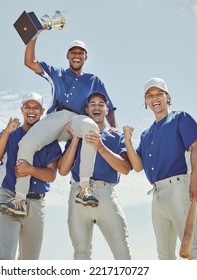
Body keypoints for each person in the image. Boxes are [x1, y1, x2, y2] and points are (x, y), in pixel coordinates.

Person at [0, 37, 117, 216]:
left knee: (91, 127)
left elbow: (109, 106)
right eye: (73, 52)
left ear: (86, 57)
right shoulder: (57, 73)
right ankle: (20, 199)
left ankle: (84, 188)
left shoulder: (94, 80)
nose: (77, 55)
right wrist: (34, 36)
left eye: (80, 53)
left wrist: (112, 127)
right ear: (68, 55)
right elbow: (29, 62)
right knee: (26, 143)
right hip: (55, 119)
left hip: (76, 120)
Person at [123, 77, 197, 260]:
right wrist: (128, 142)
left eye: (159, 94)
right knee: (164, 256)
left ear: (167, 97)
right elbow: (137, 166)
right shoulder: (147, 134)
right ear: (145, 102)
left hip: (179, 189)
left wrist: (195, 182)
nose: (154, 98)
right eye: (149, 95)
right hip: (157, 196)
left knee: (194, 251)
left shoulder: (180, 118)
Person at [58, 92, 132, 260]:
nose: (96, 107)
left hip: (105, 193)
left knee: (121, 248)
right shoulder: (75, 136)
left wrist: (100, 147)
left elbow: (125, 168)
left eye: (101, 104)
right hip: (77, 193)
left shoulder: (116, 136)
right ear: (87, 110)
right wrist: (76, 138)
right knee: (81, 251)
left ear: (107, 110)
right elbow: (62, 170)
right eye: (92, 104)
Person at [0, 92, 62, 259]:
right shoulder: (10, 133)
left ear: (42, 111)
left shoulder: (50, 141)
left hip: (36, 202)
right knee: (4, 256)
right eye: (28, 107)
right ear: (22, 109)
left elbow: (51, 175)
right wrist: (7, 132)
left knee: (30, 261)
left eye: (36, 108)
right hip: (9, 196)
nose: (31, 111)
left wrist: (30, 170)